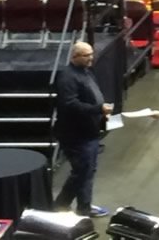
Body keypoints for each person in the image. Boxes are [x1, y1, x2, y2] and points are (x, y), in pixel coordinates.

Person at [52, 40, 113, 217]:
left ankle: (80, 206)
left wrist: (101, 114)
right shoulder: (67, 77)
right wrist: (98, 109)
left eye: (91, 54)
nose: (91, 58)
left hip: (89, 131)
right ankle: (66, 205)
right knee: (82, 172)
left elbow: (91, 96)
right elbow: (70, 104)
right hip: (75, 134)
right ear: (75, 57)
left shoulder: (86, 72)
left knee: (87, 170)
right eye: (87, 55)